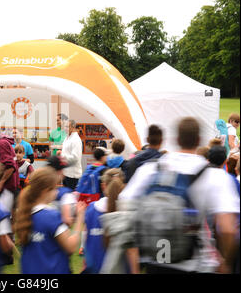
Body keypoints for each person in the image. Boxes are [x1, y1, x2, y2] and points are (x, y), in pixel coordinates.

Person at [119, 117, 240, 274]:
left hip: (155, 260)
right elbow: (228, 229)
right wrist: (227, 262)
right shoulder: (215, 176)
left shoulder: (151, 169)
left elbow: (123, 206)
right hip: (195, 263)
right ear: (198, 140)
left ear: (176, 139)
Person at [14, 166, 87, 274]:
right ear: (45, 191)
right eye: (55, 188)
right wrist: (80, 218)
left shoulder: (24, 213)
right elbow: (70, 247)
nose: (57, 192)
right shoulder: (52, 216)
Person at [82, 168, 139, 274]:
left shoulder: (90, 209)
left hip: (95, 268)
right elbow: (131, 250)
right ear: (123, 186)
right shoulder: (127, 210)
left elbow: (85, 239)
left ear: (103, 185)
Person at [46, 155, 77, 227]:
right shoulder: (65, 194)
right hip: (59, 232)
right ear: (59, 172)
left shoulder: (41, 190)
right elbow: (67, 220)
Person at [59, 120, 83, 190]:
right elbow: (66, 150)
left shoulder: (76, 140)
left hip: (72, 174)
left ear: (73, 127)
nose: (65, 128)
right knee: (65, 195)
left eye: (67, 127)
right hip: (66, 172)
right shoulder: (67, 138)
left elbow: (75, 158)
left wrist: (62, 155)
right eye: (64, 127)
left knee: (70, 196)